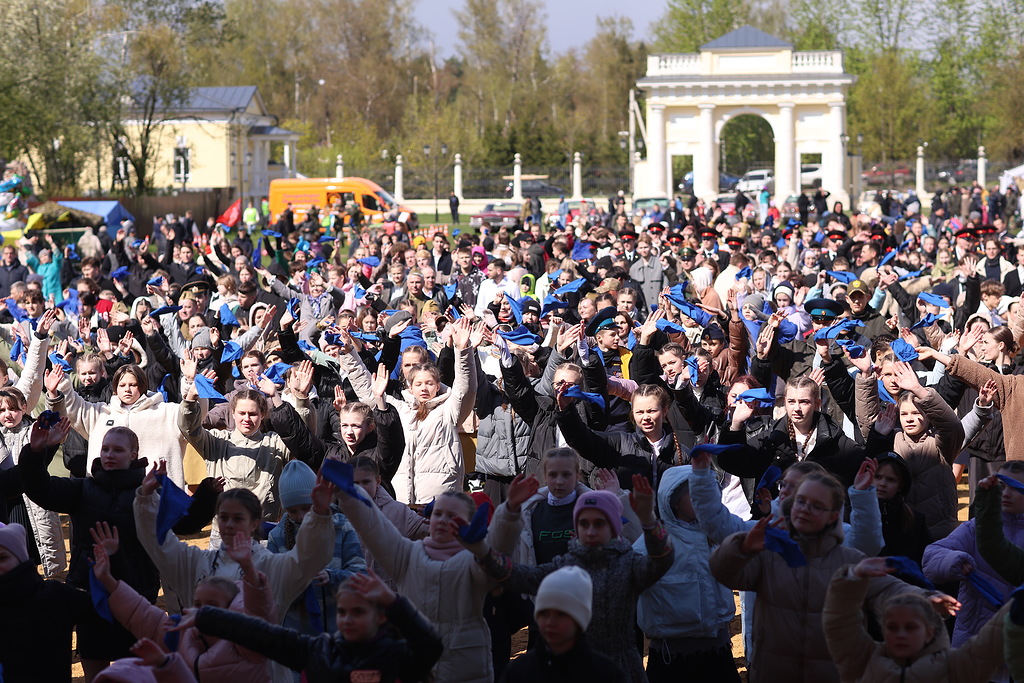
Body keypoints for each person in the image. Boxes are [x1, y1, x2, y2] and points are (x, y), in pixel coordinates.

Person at [710, 472, 957, 682]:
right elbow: (724, 572)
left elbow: (888, 589)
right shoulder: (770, 553)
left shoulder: (847, 559)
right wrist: (741, 547)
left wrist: (926, 599)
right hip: (774, 673)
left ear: (832, 516)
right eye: (801, 501)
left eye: (817, 505)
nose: (805, 509)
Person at [456, 475, 674, 681]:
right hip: (570, 665)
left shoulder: (628, 563)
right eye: (584, 524)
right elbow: (518, 576)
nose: (590, 531)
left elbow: (662, 561)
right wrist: (482, 551)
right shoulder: (566, 565)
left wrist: (648, 520)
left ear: (614, 527)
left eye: (599, 524)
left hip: (621, 666)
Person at [20, 419, 161, 680]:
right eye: (105, 449)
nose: (109, 455)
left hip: (136, 592)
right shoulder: (83, 488)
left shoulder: (148, 492)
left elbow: (185, 521)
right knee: (95, 672)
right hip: (89, 593)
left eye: (117, 450)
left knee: (134, 674)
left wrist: (207, 495)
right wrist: (35, 453)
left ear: (133, 455)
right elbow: (40, 489)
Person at [133, 461, 335, 615]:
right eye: (223, 517)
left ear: (254, 523)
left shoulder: (271, 566)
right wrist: (146, 499)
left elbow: (308, 559)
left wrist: (319, 514)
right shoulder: (197, 562)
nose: (229, 524)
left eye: (238, 518)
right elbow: (160, 544)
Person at [172, 569, 442, 683]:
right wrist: (207, 617)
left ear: (381, 617)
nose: (347, 619)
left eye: (358, 612)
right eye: (343, 612)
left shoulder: (396, 655)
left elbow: (430, 645)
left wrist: (393, 602)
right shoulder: (318, 650)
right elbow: (262, 634)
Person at [91, 535, 273, 682]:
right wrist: (108, 580)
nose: (202, 610)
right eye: (198, 604)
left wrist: (249, 569)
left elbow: (259, 613)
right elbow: (143, 615)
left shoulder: (244, 643)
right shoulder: (183, 634)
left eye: (212, 605)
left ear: (231, 608)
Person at [823, 556, 1010, 683]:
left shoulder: (952, 666)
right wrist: (853, 579)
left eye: (910, 627)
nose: (901, 634)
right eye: (892, 627)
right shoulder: (864, 660)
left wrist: (1015, 605)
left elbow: (989, 644)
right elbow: (839, 624)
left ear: (930, 631)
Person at [635, 465, 740, 682]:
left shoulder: (719, 536)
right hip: (670, 658)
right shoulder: (654, 543)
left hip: (718, 651)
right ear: (673, 499)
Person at [0, 522, 103, 683]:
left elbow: (104, 608)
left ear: (20, 558)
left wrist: (107, 578)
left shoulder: (56, 595)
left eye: (2, 558)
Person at [501, 566, 625, 683]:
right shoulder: (519, 672)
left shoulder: (605, 674)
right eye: (544, 613)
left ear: (579, 619)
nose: (550, 622)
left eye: (561, 614)